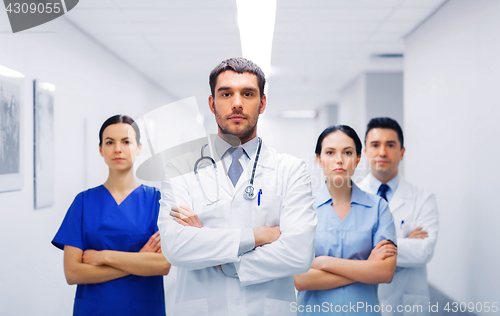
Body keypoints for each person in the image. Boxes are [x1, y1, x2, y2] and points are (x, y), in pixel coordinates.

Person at [158, 57, 317, 316]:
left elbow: (299, 253)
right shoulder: (181, 169)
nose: (237, 103)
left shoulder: (291, 170)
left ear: (262, 103)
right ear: (212, 103)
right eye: (226, 93)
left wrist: (224, 259)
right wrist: (257, 236)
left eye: (248, 93)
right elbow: (176, 247)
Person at [52, 115, 170, 316]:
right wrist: (139, 260)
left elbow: (163, 265)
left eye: (126, 142)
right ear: (101, 149)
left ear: (139, 148)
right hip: (94, 309)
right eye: (110, 142)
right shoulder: (83, 202)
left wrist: (103, 256)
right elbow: (72, 273)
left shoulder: (157, 201)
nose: (118, 149)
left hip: (142, 308)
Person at [294, 125, 397, 316]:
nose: (339, 160)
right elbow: (300, 279)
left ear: (358, 159)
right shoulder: (303, 208)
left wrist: (323, 262)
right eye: (330, 152)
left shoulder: (378, 208)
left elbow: (385, 273)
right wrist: (366, 268)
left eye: (348, 152)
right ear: (318, 159)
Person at [358, 117, 439, 316]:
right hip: (363, 301)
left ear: (402, 152)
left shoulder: (423, 198)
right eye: (375, 145)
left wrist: (370, 248)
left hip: (407, 304)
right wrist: (403, 243)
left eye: (391, 145)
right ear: (366, 152)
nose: (382, 152)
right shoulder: (352, 196)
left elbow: (424, 251)